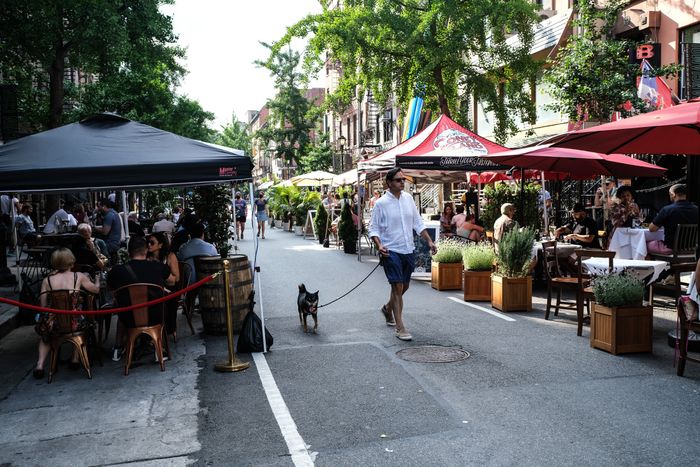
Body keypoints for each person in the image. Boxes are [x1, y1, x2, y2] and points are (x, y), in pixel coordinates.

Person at [368, 168, 437, 342]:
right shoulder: (381, 204)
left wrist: (429, 241)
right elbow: (373, 228)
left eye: (403, 180)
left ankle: (387, 308)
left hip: (408, 249)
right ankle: (401, 327)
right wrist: (379, 245)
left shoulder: (408, 200)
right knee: (397, 287)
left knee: (404, 286)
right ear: (389, 183)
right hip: (391, 251)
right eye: (398, 180)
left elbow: (418, 223)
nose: (402, 182)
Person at [33, 248, 100, 378]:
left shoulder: (47, 280)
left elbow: (43, 306)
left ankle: (40, 365)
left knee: (45, 336)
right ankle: (75, 358)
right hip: (75, 323)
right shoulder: (78, 276)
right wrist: (97, 279)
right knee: (85, 328)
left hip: (54, 324)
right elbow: (96, 290)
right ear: (71, 261)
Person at [107, 235, 170, 361]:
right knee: (162, 308)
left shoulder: (117, 271)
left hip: (128, 319)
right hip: (155, 316)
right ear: (146, 250)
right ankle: (160, 348)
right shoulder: (159, 267)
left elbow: (111, 288)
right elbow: (168, 279)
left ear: (129, 252)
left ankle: (118, 348)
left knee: (122, 312)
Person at [647, 184, 699, 255]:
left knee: (645, 245)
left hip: (671, 249)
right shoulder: (696, 209)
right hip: (692, 248)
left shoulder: (667, 209)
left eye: (670, 194)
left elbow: (652, 229)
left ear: (673, 194)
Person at [146, 232, 179, 339]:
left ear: (160, 245)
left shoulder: (170, 256)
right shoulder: (147, 258)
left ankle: (169, 329)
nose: (149, 245)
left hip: (170, 288)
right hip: (153, 289)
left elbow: (176, 278)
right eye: (148, 242)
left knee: (168, 300)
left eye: (152, 243)